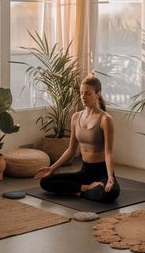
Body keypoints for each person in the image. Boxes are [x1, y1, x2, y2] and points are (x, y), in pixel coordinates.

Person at [35, 74, 120, 203]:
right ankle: (86, 188)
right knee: (46, 181)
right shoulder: (75, 117)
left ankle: (77, 191)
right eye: (81, 93)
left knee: (111, 193)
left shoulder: (105, 119)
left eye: (88, 94)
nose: (83, 97)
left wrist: (109, 177)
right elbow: (70, 150)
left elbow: (108, 153)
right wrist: (51, 168)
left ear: (98, 94)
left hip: (102, 171)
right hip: (85, 172)